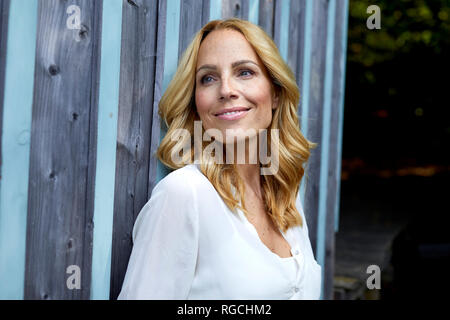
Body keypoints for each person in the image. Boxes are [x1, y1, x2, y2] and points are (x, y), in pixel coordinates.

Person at [117, 18, 321, 300]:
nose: (226, 90)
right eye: (208, 78)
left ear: (275, 93)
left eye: (245, 72)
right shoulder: (184, 194)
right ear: (196, 103)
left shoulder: (286, 194)